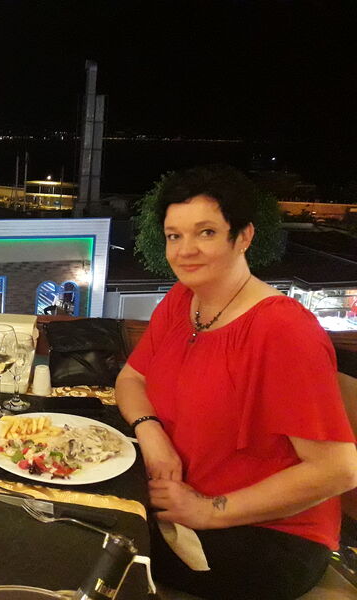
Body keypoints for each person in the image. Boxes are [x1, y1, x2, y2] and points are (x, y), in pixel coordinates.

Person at [115, 165, 357, 599]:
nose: (185, 250)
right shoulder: (182, 301)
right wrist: (151, 433)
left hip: (268, 534)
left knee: (91, 542)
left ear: (243, 236)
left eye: (206, 232)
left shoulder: (283, 331)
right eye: (174, 235)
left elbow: (338, 470)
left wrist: (209, 510)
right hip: (178, 498)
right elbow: (131, 379)